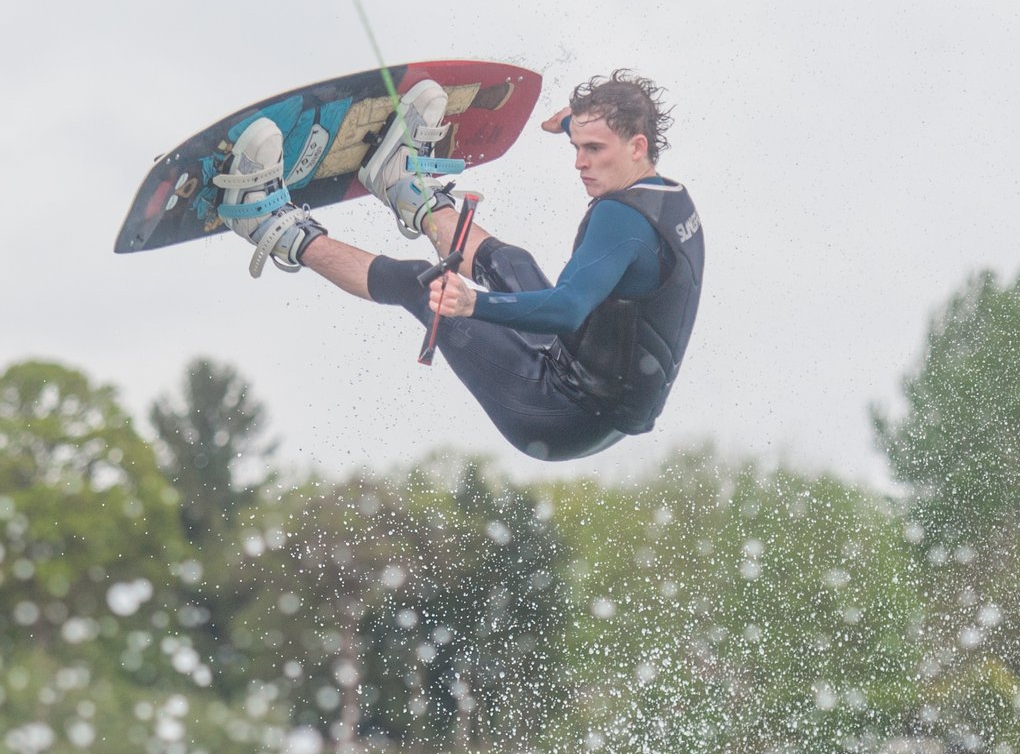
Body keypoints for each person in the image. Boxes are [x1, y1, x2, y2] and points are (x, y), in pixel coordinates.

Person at [214, 70, 703, 461]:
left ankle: (270, 225)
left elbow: (567, 310)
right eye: (576, 146)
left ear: (637, 147)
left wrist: (473, 304)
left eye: (594, 150)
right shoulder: (667, 196)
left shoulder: (623, 220)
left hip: (560, 416)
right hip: (595, 390)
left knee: (418, 283)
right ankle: (405, 186)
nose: (580, 163)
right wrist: (581, 121)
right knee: (512, 260)